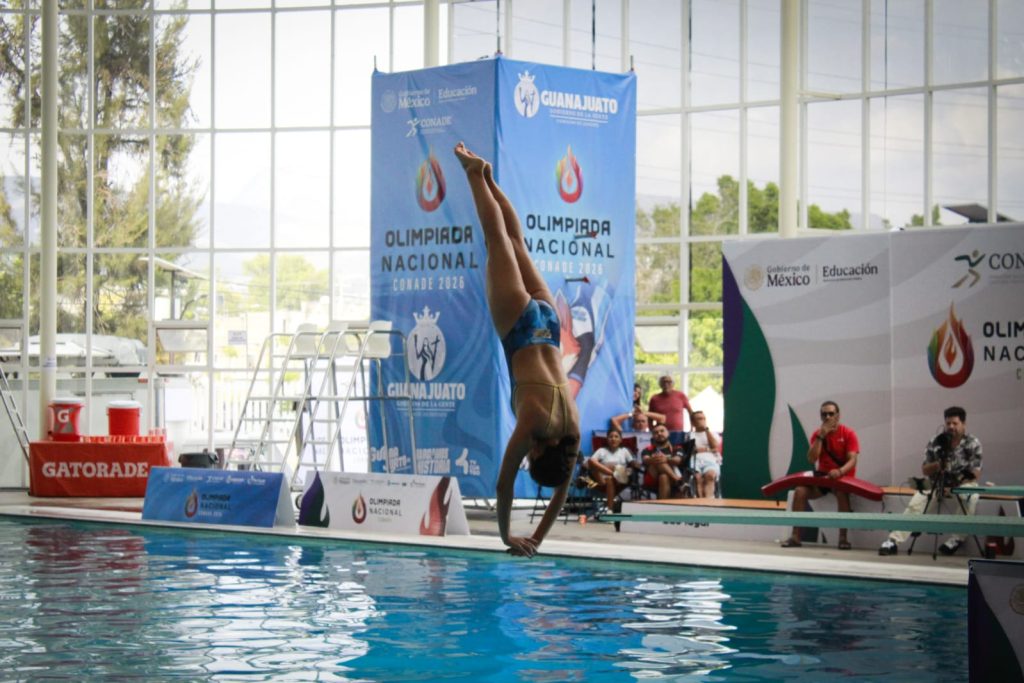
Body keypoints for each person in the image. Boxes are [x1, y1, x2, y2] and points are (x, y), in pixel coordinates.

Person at [454, 142, 581, 558]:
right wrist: (507, 536)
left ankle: (490, 178)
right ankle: (475, 175)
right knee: (497, 240)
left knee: (517, 242)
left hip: (548, 324)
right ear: (537, 452)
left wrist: (539, 539)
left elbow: (561, 493)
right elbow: (503, 484)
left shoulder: (572, 429)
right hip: (520, 327)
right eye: (532, 458)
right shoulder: (533, 424)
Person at [879, 406, 982, 556]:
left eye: (955, 423)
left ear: (963, 424)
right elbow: (925, 470)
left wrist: (954, 486)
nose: (951, 427)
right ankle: (893, 541)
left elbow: (975, 473)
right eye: (948, 423)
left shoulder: (972, 443)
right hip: (936, 483)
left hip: (962, 484)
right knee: (917, 501)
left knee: (970, 497)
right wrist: (938, 465)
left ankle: (956, 539)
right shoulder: (936, 441)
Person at [781, 401, 860, 550]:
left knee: (842, 493)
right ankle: (795, 536)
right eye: (824, 414)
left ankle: (843, 538)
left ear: (838, 416)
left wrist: (840, 471)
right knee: (799, 491)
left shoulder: (848, 433)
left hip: (842, 478)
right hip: (824, 478)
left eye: (831, 413)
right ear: (821, 416)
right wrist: (821, 436)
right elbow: (812, 459)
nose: (828, 417)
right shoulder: (817, 435)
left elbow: (853, 460)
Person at [587, 426, 638, 511]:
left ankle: (609, 510)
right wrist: (608, 467)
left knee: (611, 476)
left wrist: (633, 466)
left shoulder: (624, 451)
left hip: (620, 479)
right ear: (607, 439)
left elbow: (634, 464)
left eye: (616, 436)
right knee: (591, 461)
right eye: (610, 437)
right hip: (601, 479)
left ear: (621, 440)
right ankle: (613, 474)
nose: (613, 439)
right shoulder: (601, 450)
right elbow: (590, 463)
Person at [641, 424, 686, 500]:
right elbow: (645, 460)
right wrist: (654, 459)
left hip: (670, 478)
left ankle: (662, 505)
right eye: (656, 432)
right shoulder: (647, 449)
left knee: (663, 476)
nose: (659, 433)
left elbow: (677, 460)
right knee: (658, 459)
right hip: (653, 477)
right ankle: (678, 481)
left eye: (662, 431)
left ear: (668, 433)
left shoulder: (676, 448)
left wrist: (666, 459)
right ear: (653, 436)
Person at [687, 410, 721, 498]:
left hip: (711, 460)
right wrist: (709, 449)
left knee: (710, 476)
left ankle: (708, 501)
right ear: (693, 422)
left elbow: (715, 446)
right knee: (697, 478)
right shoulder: (689, 435)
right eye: (699, 419)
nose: (702, 421)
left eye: (703, 418)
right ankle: (700, 501)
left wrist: (706, 430)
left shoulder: (713, 434)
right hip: (695, 460)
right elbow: (691, 450)